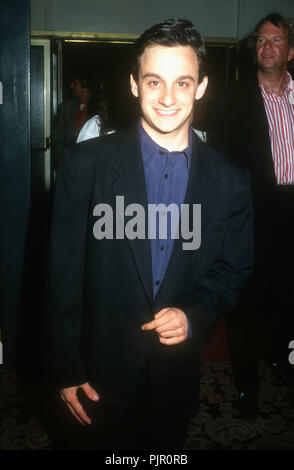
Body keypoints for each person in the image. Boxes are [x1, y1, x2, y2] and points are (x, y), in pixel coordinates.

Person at [48, 18, 253, 450]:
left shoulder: (230, 180)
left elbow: (233, 269)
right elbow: (61, 276)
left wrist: (193, 314)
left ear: (200, 87)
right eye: (154, 80)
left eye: (182, 83)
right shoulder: (85, 165)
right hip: (97, 373)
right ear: (134, 84)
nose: (166, 97)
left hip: (174, 377)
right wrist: (66, 366)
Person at [208, 12, 294, 421]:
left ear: (291, 51)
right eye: (261, 40)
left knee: (287, 299)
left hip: (293, 212)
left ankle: (283, 360)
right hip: (251, 215)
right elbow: (221, 162)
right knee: (245, 304)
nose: (267, 46)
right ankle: (247, 386)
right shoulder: (233, 98)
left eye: (276, 40)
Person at [51, 73, 93, 168]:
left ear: (85, 87)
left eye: (75, 84)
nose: (71, 86)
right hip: (68, 165)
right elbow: (57, 139)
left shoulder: (100, 109)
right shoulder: (65, 108)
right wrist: (62, 162)